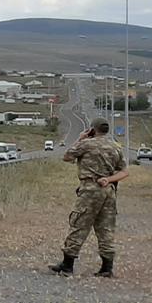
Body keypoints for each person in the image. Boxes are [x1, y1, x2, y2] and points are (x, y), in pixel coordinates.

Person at [50, 117, 128, 278]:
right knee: (106, 228)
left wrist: (80, 138)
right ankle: (107, 267)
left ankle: (67, 265)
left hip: (90, 189)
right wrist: (109, 179)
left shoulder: (86, 144)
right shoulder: (115, 147)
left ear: (92, 129)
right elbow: (124, 171)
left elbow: (67, 156)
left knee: (79, 224)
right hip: (108, 191)